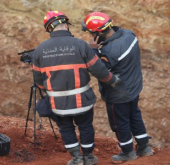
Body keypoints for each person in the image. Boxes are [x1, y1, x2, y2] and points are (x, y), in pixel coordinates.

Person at [32, 11, 120, 165]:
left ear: (49, 29)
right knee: (85, 127)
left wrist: (50, 91)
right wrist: (112, 80)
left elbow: (38, 80)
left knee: (66, 129)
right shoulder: (80, 45)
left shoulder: (40, 50)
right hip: (82, 102)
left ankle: (76, 159)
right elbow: (98, 70)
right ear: (66, 24)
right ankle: (89, 157)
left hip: (58, 105)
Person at [81, 12, 153, 162]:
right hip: (134, 86)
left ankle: (127, 152)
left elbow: (100, 70)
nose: (90, 34)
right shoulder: (129, 34)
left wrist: (94, 50)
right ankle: (144, 147)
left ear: (98, 33)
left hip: (118, 93)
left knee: (120, 123)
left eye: (90, 32)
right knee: (134, 115)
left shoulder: (110, 51)